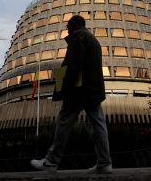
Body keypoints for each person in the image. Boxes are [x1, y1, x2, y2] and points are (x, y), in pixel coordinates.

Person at [30, 15, 112, 174]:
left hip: (79, 89)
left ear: (74, 24)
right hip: (94, 89)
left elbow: (74, 63)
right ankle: (104, 162)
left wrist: (65, 86)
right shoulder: (93, 39)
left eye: (68, 26)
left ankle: (51, 161)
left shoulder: (78, 35)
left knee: (64, 121)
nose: (67, 29)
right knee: (98, 124)